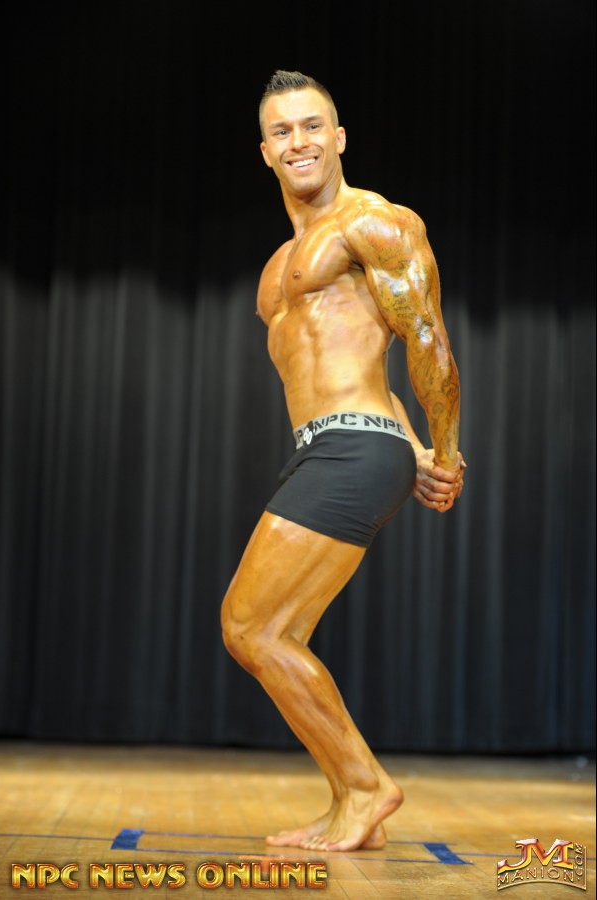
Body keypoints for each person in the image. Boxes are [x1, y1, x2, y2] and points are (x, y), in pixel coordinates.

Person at [221, 70, 466, 853]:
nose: (298, 141)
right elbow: (359, 368)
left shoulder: (375, 223)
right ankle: (352, 798)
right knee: (272, 631)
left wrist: (445, 451)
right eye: (282, 131)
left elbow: (424, 339)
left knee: (251, 625)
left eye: (311, 126)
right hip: (339, 443)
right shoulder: (275, 272)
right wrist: (413, 445)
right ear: (265, 152)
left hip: (355, 450)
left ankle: (364, 787)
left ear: (339, 137)